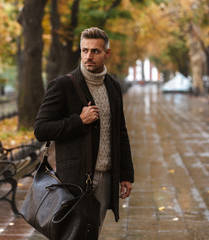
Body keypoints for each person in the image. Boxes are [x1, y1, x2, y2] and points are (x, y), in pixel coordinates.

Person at [34, 27, 134, 234]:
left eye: (95, 51)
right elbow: (41, 130)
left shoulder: (113, 86)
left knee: (93, 232)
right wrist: (79, 121)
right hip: (74, 178)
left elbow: (120, 132)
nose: (89, 56)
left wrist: (126, 174)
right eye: (85, 50)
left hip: (106, 177)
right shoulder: (63, 86)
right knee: (75, 234)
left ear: (107, 53)